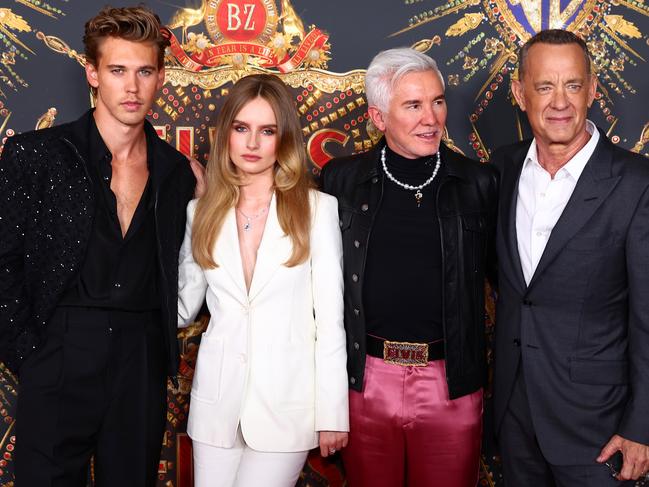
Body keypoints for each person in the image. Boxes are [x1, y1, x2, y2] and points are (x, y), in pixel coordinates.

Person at [0, 6, 202, 486]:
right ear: (92, 73)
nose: (131, 88)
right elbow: (2, 262)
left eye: (144, 71)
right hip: (60, 352)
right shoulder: (37, 155)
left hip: (139, 362)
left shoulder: (177, 172)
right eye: (117, 71)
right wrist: (33, 358)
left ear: (160, 77)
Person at [320, 48, 498, 487]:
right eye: (413, 105)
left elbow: (509, 285)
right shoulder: (340, 181)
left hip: (450, 381)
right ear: (378, 117)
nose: (431, 118)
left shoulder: (478, 183)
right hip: (366, 381)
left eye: (438, 101)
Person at [492, 29, 649, 486]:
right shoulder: (500, 170)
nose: (560, 101)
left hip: (599, 428)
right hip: (515, 420)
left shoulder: (636, 184)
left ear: (593, 90)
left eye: (573, 85)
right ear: (521, 93)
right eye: (544, 86)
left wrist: (642, 426)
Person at [177, 73, 349, 487]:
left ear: (283, 138)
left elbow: (330, 322)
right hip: (216, 410)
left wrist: (332, 414)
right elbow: (183, 308)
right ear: (226, 135)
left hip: (286, 408)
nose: (252, 143)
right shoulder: (201, 212)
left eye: (266, 130)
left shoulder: (316, 209)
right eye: (242, 128)